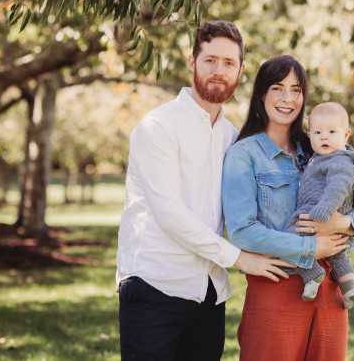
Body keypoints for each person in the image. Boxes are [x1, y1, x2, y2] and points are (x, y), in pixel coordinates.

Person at [116, 21, 294, 361]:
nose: (219, 71)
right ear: (192, 61)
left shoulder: (232, 138)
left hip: (209, 295)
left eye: (228, 63)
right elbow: (170, 214)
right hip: (154, 288)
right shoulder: (158, 127)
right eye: (210, 60)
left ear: (240, 70)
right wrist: (240, 259)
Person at [221, 55, 354, 360]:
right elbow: (242, 231)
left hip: (331, 287)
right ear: (261, 94)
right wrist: (309, 248)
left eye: (296, 90)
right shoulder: (244, 154)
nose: (288, 98)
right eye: (277, 88)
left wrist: (345, 224)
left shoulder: (321, 144)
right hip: (277, 286)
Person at [282, 102, 354, 309]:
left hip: (320, 210)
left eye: (331, 131)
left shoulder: (339, 161)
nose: (324, 137)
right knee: (337, 252)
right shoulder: (322, 158)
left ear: (346, 134)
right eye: (318, 132)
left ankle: (312, 274)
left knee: (291, 236)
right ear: (309, 136)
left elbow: (338, 187)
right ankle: (350, 288)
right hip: (324, 211)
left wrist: (324, 209)